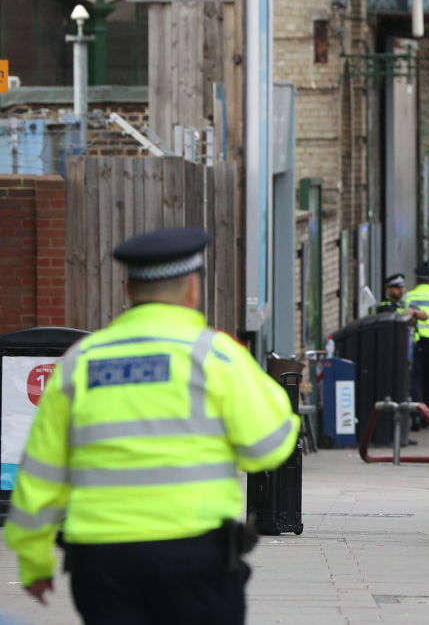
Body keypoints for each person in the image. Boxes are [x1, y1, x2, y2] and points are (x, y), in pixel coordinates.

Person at [3, 226, 299, 624]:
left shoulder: (80, 361)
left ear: (128, 290)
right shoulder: (213, 356)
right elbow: (268, 446)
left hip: (102, 559)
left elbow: (40, 472)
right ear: (192, 289)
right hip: (193, 555)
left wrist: (34, 560)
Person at [405, 262, 429, 430]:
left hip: (414, 343)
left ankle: (416, 415)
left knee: (415, 381)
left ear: (417, 279)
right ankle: (427, 416)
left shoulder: (408, 297)